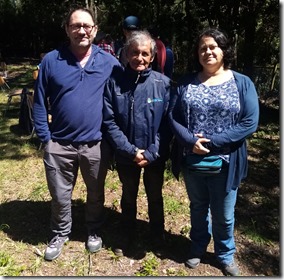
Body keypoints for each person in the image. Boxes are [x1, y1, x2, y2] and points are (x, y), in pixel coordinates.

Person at [168, 28, 259, 276]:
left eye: (213, 46)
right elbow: (173, 116)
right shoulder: (186, 82)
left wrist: (213, 142)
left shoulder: (241, 82)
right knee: (197, 207)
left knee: (224, 214)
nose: (207, 51)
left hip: (226, 161)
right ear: (197, 54)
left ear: (223, 50)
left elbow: (250, 121)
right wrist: (188, 141)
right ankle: (197, 246)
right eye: (202, 48)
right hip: (192, 159)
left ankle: (225, 254)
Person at [33, 6, 120, 261]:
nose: (81, 30)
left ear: (94, 30)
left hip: (95, 144)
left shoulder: (108, 62)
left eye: (86, 26)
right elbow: (39, 101)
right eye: (75, 25)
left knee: (95, 192)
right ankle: (60, 232)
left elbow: (126, 90)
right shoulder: (51, 60)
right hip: (59, 143)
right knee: (60, 195)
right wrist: (45, 138)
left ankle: (93, 230)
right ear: (67, 29)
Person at [103, 30, 173, 256]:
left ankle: (157, 234)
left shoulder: (164, 85)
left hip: (154, 155)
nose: (139, 58)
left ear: (152, 56)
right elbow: (109, 121)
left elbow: (167, 124)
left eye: (145, 53)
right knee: (128, 194)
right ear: (126, 54)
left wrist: (152, 153)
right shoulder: (114, 83)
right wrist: (130, 150)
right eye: (135, 53)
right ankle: (127, 233)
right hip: (126, 155)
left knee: (155, 195)